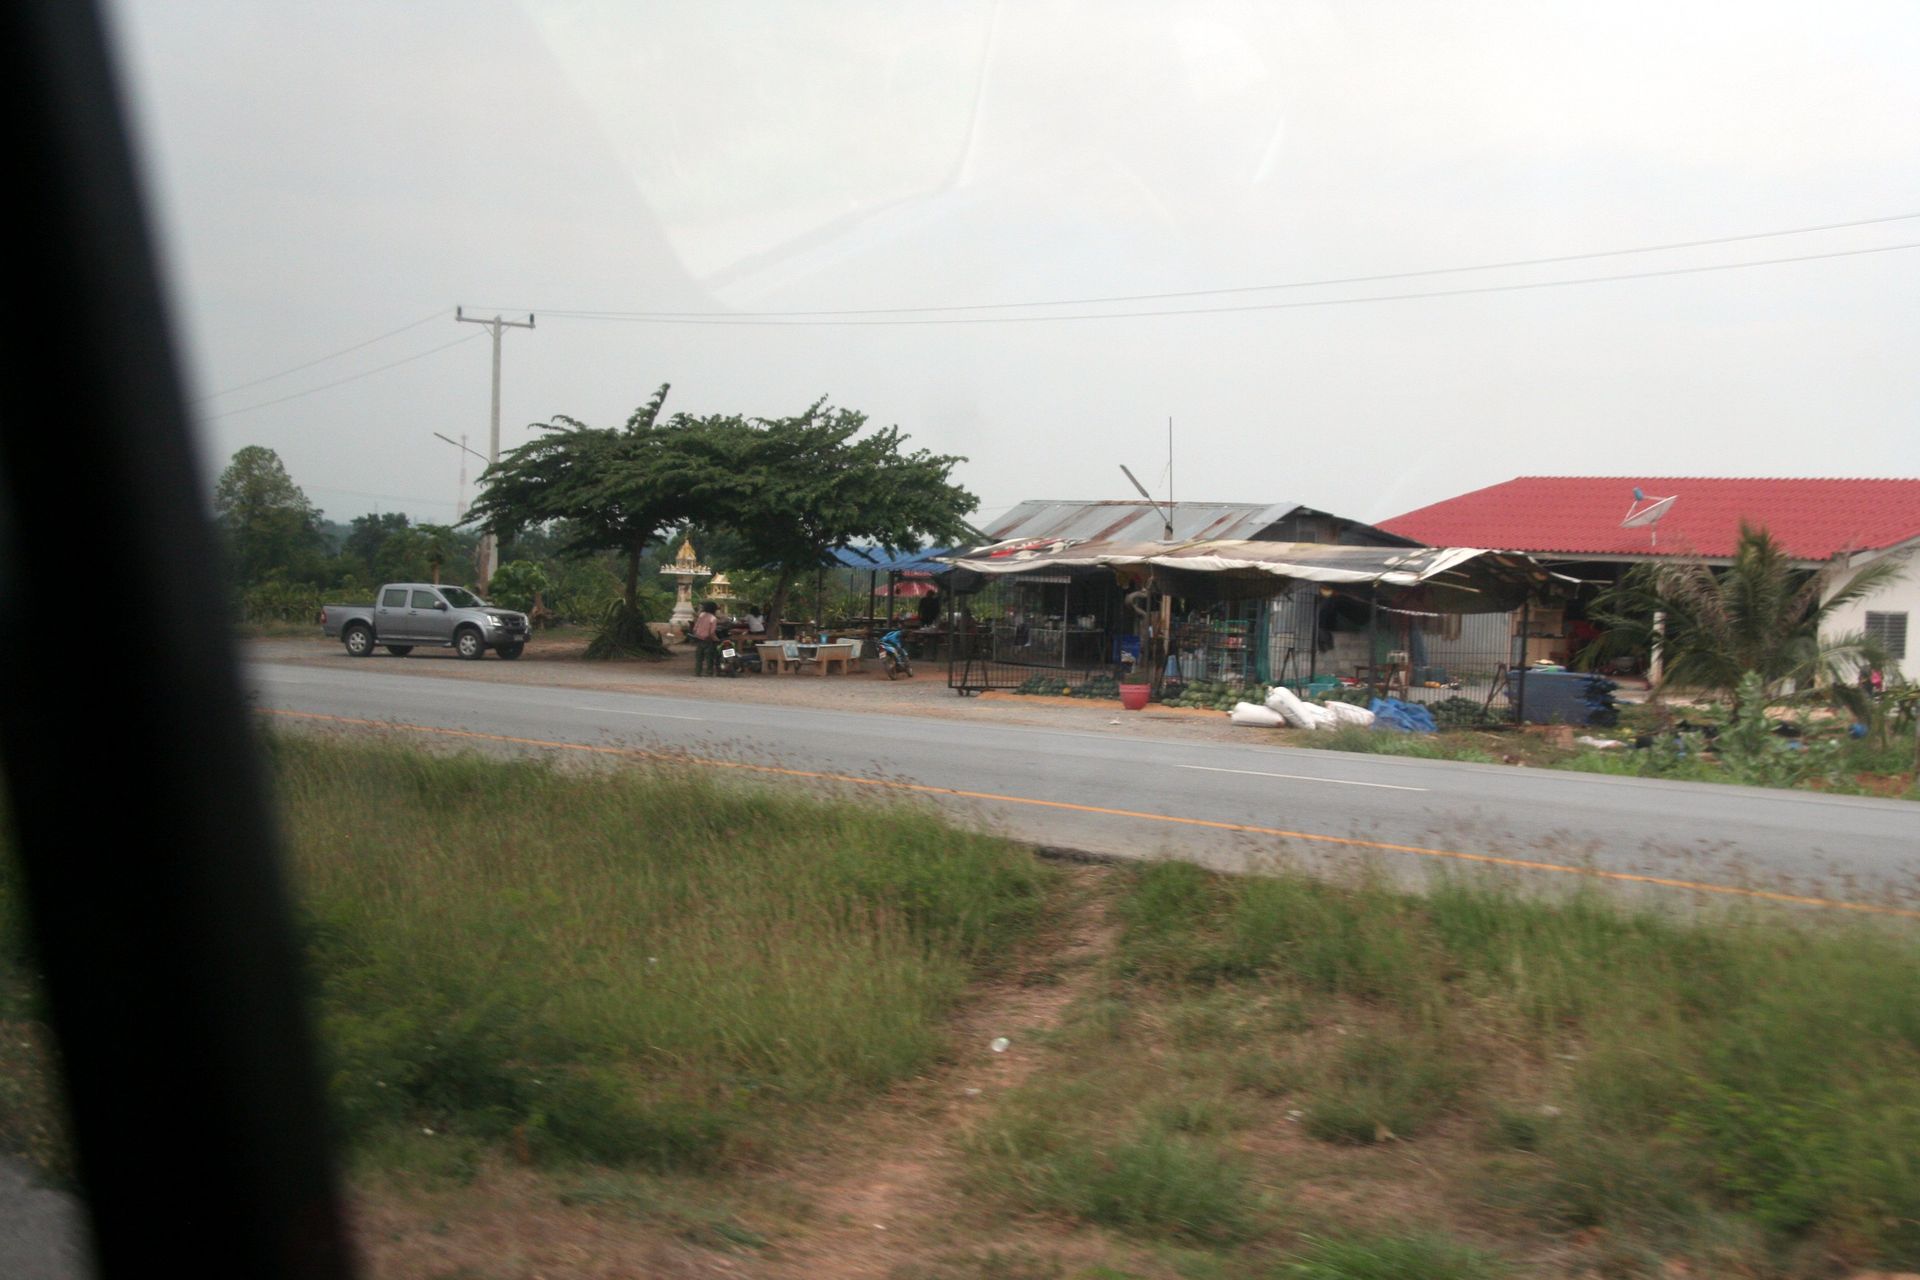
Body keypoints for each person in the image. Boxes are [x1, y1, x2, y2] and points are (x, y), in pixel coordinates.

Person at [692, 600, 720, 676]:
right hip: (708, 640)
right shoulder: (713, 618)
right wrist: (716, 639)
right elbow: (712, 632)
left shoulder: (701, 615)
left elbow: (695, 628)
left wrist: (696, 634)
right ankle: (709, 672)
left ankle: (698, 672)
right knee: (709, 657)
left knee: (699, 657)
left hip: (699, 638)